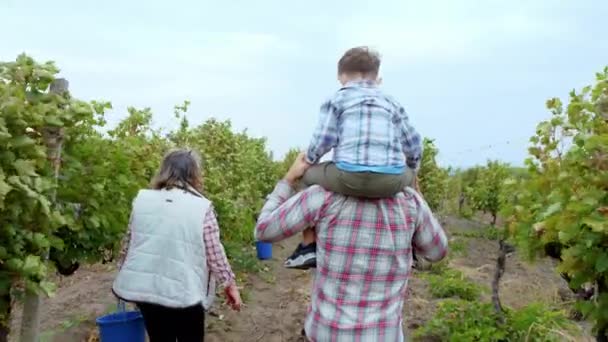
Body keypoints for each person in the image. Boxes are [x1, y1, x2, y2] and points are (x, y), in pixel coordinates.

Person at [255, 153, 448, 341]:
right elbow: (437, 252)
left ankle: (307, 249)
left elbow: (263, 231)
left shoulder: (321, 197)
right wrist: (417, 194)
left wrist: (288, 180)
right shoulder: (410, 203)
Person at [285, 46, 423, 269]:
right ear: (377, 77)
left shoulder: (337, 99)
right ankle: (414, 245)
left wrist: (309, 160)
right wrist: (412, 170)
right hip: (389, 181)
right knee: (411, 184)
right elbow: (413, 144)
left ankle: (308, 246)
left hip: (348, 176)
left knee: (308, 176)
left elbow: (324, 139)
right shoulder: (392, 102)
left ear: (341, 76)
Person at [112, 149, 241, 342]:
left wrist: (124, 274)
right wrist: (229, 283)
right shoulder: (201, 207)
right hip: (185, 292)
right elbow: (214, 253)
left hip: (148, 291)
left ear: (163, 171)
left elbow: (129, 244)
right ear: (194, 174)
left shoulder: (142, 200)